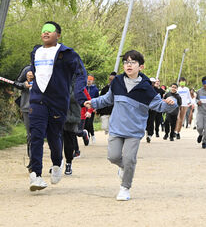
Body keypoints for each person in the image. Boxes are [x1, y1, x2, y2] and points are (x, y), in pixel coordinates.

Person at [84, 50, 177, 201]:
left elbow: (160, 106)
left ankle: (125, 188)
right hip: (116, 127)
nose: (129, 65)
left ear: (141, 67)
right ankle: (124, 168)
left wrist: (172, 103)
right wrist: (93, 103)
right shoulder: (118, 81)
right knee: (113, 157)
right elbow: (108, 99)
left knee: (129, 159)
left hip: (134, 130)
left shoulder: (147, 88)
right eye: (126, 62)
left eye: (133, 62)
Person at [28, 21, 87, 191]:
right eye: (43, 30)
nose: (45, 33)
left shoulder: (67, 54)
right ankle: (36, 175)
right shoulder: (36, 52)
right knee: (36, 136)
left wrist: (78, 94)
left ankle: (57, 163)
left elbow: (81, 73)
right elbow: (35, 70)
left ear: (58, 35)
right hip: (37, 100)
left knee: (54, 136)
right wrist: (31, 75)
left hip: (58, 101)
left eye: (50, 30)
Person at [13, 65, 33, 172]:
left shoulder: (48, 68)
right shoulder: (27, 69)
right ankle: (32, 161)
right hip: (27, 107)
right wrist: (24, 84)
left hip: (44, 107)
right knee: (31, 134)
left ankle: (57, 162)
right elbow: (16, 83)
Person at [85, 75, 99, 143]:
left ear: (92, 81)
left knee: (89, 123)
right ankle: (87, 137)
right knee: (85, 124)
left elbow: (97, 99)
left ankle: (92, 135)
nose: (89, 81)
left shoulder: (95, 89)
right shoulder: (83, 88)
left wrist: (96, 108)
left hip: (92, 108)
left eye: (90, 80)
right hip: (84, 108)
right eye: (88, 79)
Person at [196, 76, 206, 149]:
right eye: (204, 83)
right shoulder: (199, 91)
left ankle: (204, 141)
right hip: (201, 112)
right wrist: (197, 102)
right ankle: (200, 134)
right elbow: (195, 99)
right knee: (200, 127)